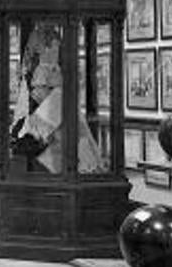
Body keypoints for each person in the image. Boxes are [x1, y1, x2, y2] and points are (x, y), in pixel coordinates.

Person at [9, 23, 102, 173]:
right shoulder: (49, 99)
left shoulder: (56, 99)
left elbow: (33, 137)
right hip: (55, 167)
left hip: (63, 168)